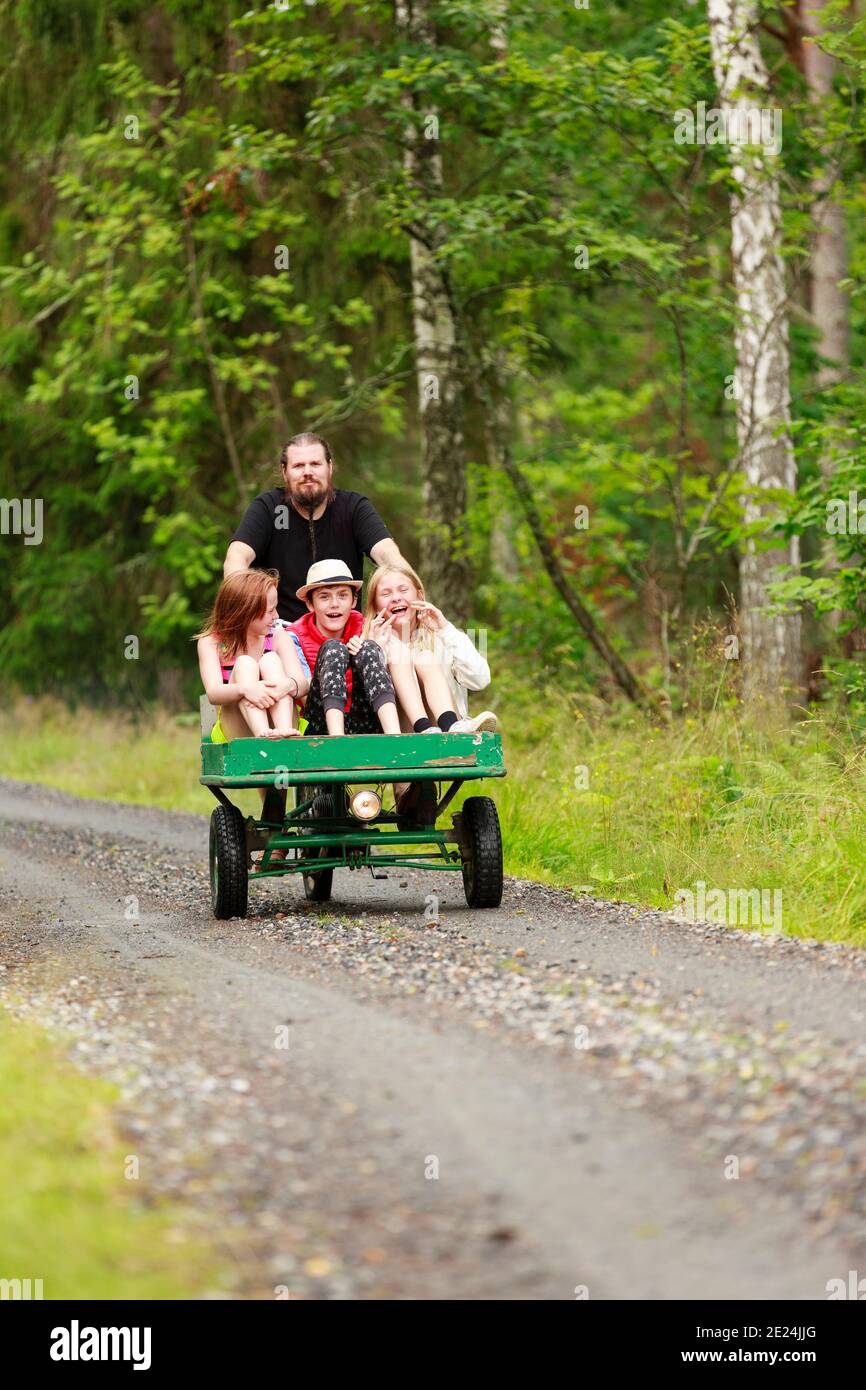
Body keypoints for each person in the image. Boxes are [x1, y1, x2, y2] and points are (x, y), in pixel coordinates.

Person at [224, 431, 407, 625]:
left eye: (315, 464)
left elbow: (387, 554)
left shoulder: (353, 508)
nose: (307, 472)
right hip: (279, 633)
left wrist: (411, 596)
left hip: (346, 636)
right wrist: (242, 609)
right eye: (298, 466)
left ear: (330, 467)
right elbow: (236, 557)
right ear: (284, 472)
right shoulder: (270, 508)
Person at [362, 561, 497, 735]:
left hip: (450, 732)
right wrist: (375, 650)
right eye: (386, 593)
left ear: (419, 596)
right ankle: (424, 730)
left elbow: (481, 680)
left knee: (425, 657)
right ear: (375, 605)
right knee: (399, 654)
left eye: (403, 590)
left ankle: (453, 726)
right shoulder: (367, 644)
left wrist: (446, 630)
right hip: (402, 734)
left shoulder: (443, 637)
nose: (396, 597)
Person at [290, 560, 402, 737]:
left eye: (342, 596)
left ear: (354, 600)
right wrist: (341, 658)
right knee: (334, 648)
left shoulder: (367, 627)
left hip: (364, 718)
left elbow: (393, 677)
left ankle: (395, 737)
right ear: (310, 604)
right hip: (320, 723)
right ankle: (337, 739)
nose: (334, 604)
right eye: (324, 597)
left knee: (368, 648)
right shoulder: (294, 636)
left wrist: (375, 648)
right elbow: (304, 695)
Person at [196, 569, 309, 743]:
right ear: (245, 612)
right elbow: (213, 693)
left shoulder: (279, 636)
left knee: (270, 660)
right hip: (238, 729)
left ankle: (284, 735)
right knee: (245, 665)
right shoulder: (211, 642)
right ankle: (262, 738)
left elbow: (302, 684)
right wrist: (246, 689)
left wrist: (286, 685)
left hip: (282, 722)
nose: (277, 616)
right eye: (270, 611)